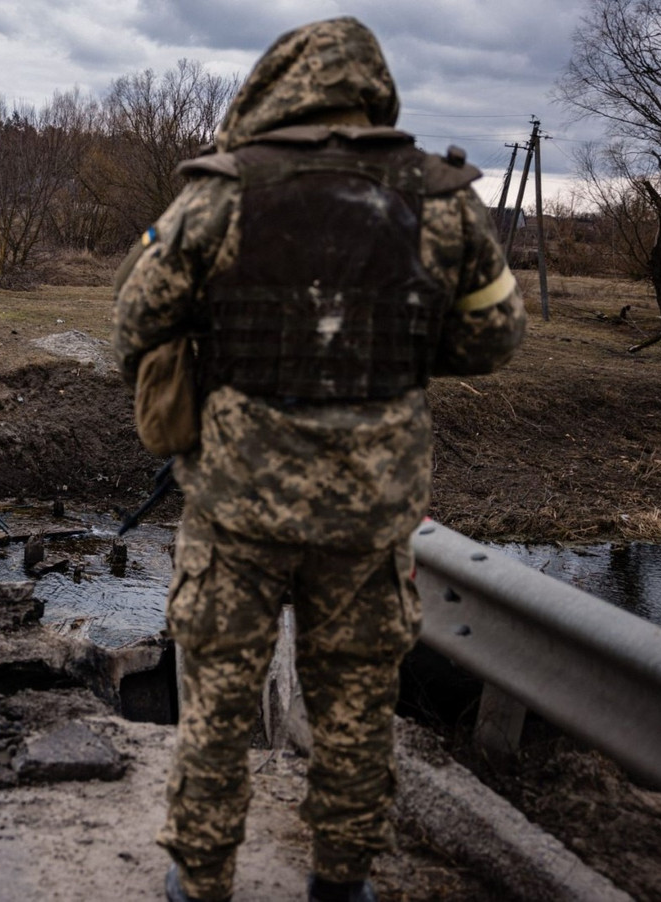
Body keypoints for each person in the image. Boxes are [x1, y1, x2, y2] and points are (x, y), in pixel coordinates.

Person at [113, 18, 526, 902]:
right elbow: (496, 336)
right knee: (354, 715)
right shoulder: (442, 196)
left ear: (273, 88)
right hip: (370, 514)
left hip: (236, 509)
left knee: (217, 709)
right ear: (372, 89)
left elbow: (134, 319)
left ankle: (201, 883)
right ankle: (342, 884)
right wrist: (393, 359)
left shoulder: (220, 193)